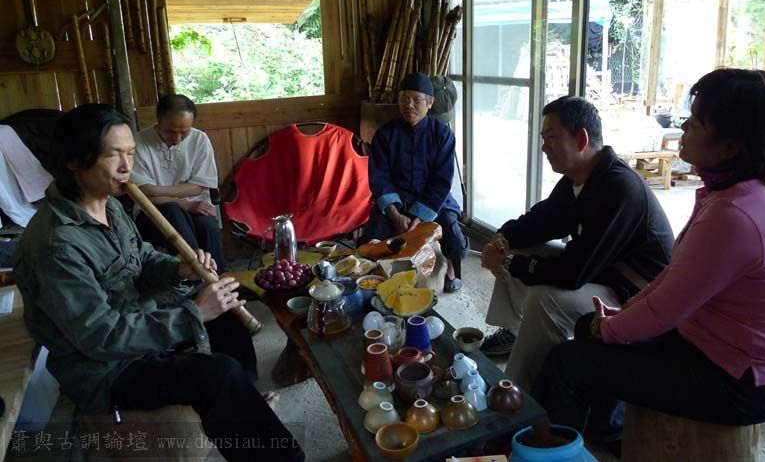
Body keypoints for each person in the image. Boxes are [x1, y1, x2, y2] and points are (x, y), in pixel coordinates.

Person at [14, 104, 304, 461]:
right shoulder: (55, 245)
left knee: (228, 311)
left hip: (139, 320)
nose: (127, 166)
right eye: (114, 155)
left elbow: (141, 257)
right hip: (107, 369)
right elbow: (101, 337)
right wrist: (195, 313)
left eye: (131, 153)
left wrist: (179, 269)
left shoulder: (109, 204)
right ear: (74, 160)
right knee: (217, 373)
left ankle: (244, 405)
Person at [535, 69, 765, 439]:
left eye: (696, 121)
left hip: (743, 380)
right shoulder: (750, 193)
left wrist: (606, 327)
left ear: (731, 146)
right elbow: (676, 278)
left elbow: (665, 312)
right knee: (592, 334)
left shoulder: (735, 215)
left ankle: (554, 448)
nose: (684, 126)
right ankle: (604, 430)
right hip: (722, 348)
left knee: (567, 362)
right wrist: (622, 314)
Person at [480, 96, 674, 394]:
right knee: (516, 250)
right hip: (602, 272)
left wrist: (508, 263)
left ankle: (519, 391)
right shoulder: (578, 178)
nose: (544, 147)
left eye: (551, 138)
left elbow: (573, 273)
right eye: (543, 138)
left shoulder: (619, 188)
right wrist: (501, 239)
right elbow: (540, 221)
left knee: (546, 299)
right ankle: (516, 333)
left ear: (581, 139)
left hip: (635, 294)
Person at [362, 72, 468, 293]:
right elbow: (379, 178)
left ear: (430, 103)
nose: (409, 105)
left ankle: (449, 270)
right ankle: (377, 275)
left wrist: (419, 219)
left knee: (451, 231)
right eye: (404, 99)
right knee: (374, 233)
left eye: (416, 100)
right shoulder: (385, 134)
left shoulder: (443, 135)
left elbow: (441, 182)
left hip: (434, 201)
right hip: (397, 201)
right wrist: (395, 214)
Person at [132, 94, 226, 271]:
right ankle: (197, 272)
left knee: (208, 225)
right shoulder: (138, 143)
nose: (177, 138)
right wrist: (184, 203)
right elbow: (142, 195)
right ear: (159, 120)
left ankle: (219, 276)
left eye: (184, 132)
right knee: (173, 210)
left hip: (196, 203)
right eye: (171, 131)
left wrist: (154, 190)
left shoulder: (199, 139)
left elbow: (197, 187)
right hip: (152, 211)